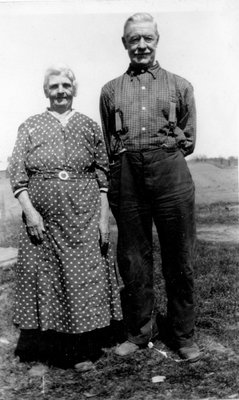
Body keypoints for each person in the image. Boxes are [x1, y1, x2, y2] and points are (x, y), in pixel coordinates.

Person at [100, 13, 201, 362]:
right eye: (134, 39)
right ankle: (140, 331)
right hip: (127, 176)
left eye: (147, 38)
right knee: (132, 259)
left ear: (157, 40)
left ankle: (183, 335)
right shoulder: (110, 90)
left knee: (179, 258)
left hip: (170, 173)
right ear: (124, 43)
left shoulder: (180, 85)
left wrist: (166, 151)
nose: (141, 45)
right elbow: (109, 141)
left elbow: (189, 140)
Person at [9, 64, 122, 368]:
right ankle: (44, 352)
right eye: (54, 86)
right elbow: (17, 175)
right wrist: (31, 213)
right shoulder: (30, 126)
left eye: (65, 86)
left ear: (74, 89)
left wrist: (102, 218)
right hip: (42, 217)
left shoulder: (88, 126)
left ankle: (80, 349)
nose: (60, 91)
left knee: (80, 279)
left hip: (83, 216)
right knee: (44, 278)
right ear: (46, 91)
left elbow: (102, 176)